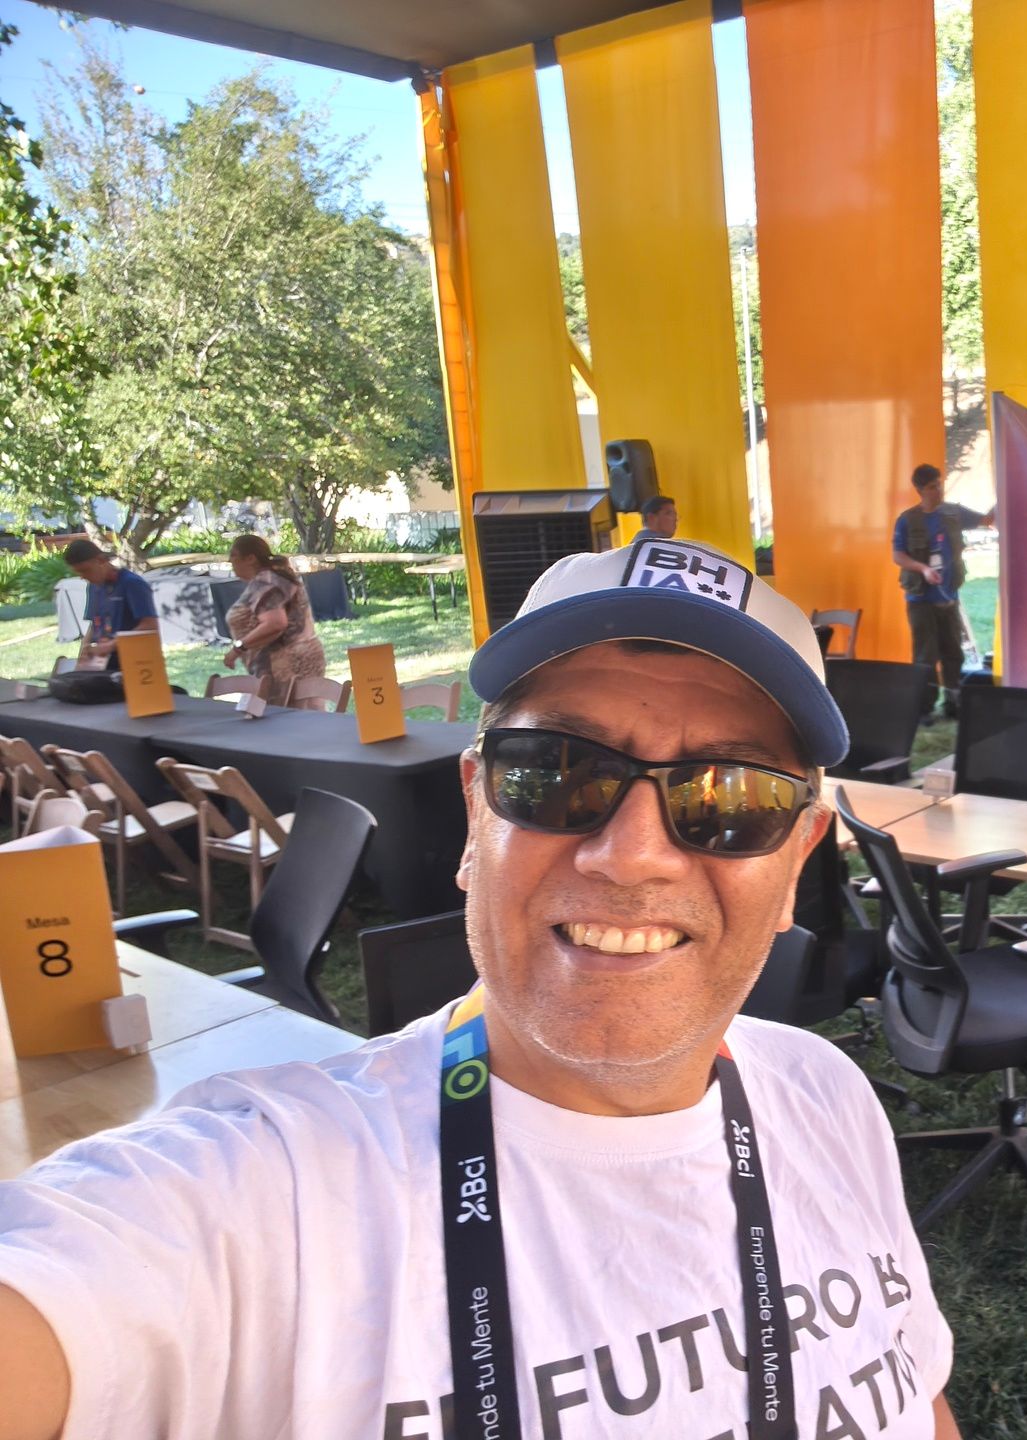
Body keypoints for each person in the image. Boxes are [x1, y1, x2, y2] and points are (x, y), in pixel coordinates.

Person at [0, 533, 959, 1440]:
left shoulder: (826, 1094)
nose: (631, 856)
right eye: (555, 772)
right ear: (474, 817)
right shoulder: (260, 1198)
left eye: (732, 797)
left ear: (796, 862)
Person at [891, 464, 994, 722]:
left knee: (953, 653)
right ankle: (925, 708)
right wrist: (923, 569)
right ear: (919, 490)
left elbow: (987, 520)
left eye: (939, 484)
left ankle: (952, 702)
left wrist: (1004, 493)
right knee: (925, 657)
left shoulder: (953, 513)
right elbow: (898, 555)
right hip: (920, 601)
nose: (938, 490)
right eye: (932, 487)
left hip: (949, 599)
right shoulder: (907, 520)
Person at [221, 534, 330, 709]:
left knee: (290, 719)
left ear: (250, 558)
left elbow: (275, 623)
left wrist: (238, 648)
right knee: (310, 715)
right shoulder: (275, 576)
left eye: (233, 555)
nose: (230, 560)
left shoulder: (267, 582)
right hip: (299, 657)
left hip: (286, 665)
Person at [60, 537, 156, 669]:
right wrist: (83, 652)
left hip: (136, 662)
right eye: (79, 573)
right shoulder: (93, 587)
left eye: (85, 570)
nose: (83, 577)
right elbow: (94, 624)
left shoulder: (132, 583)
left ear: (101, 560)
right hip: (105, 662)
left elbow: (150, 625)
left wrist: (111, 645)